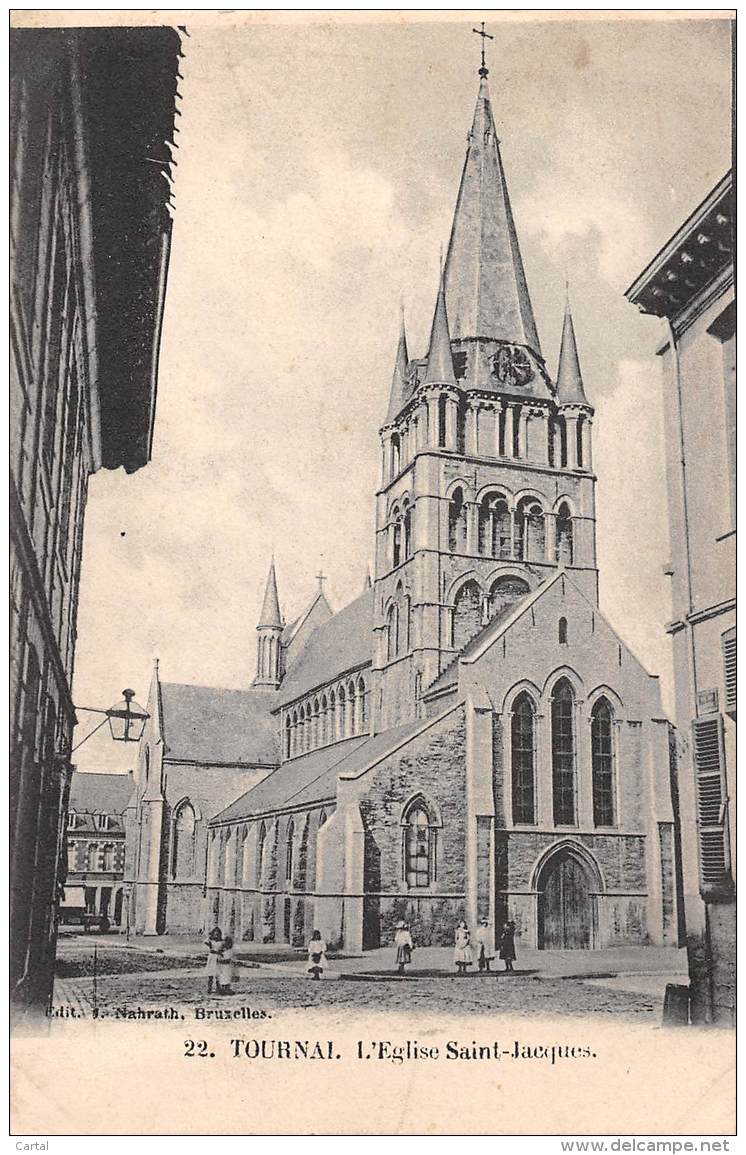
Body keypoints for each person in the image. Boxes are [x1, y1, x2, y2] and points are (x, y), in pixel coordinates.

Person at [204, 925, 223, 994]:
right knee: (211, 973)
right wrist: (210, 937)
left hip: (218, 957)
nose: (216, 935)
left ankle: (218, 988)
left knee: (218, 973)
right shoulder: (211, 942)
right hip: (212, 957)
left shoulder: (221, 942)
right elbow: (205, 941)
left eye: (218, 934)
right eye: (215, 933)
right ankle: (209, 988)